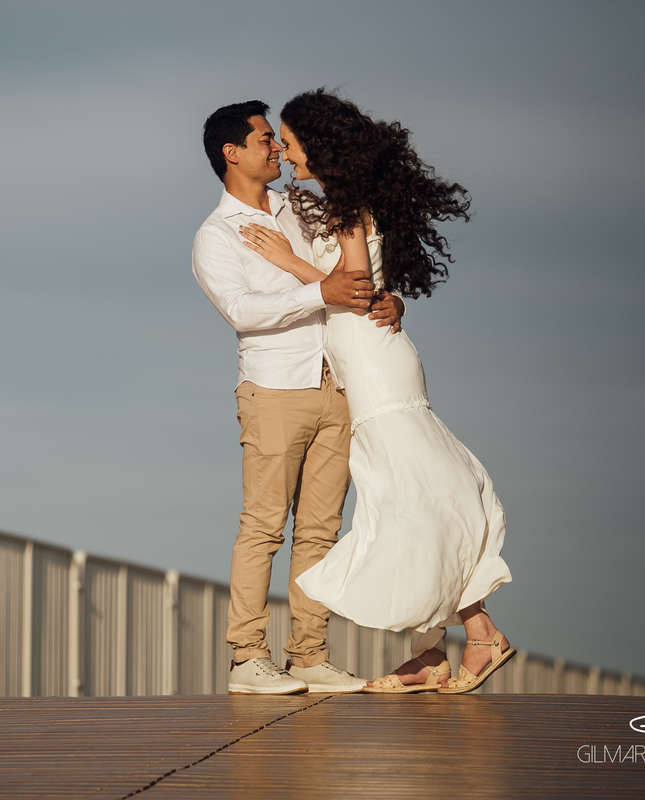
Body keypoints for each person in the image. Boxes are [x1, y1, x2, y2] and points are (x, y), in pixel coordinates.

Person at [237, 89, 514, 695]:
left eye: (289, 139)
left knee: (412, 494)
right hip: (369, 357)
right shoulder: (339, 203)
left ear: (318, 145)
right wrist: (391, 298)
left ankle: (477, 636)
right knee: (403, 497)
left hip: (373, 363)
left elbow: (356, 286)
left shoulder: (343, 207)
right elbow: (373, 288)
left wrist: (290, 261)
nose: (284, 150)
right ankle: (430, 652)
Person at [192, 101, 404, 695]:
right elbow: (242, 311)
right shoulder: (215, 235)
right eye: (266, 138)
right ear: (232, 153)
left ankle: (309, 653)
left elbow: (351, 273)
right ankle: (246, 658)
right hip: (274, 389)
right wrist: (320, 293)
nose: (278, 148)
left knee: (320, 530)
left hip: (335, 382)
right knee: (263, 526)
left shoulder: (301, 208)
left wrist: (390, 300)